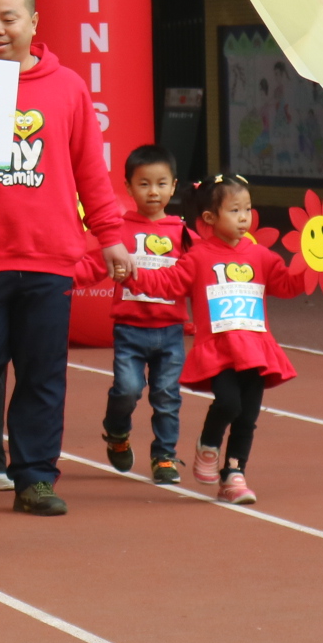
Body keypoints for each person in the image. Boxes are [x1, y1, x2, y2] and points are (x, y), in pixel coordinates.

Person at [0, 0, 132, 516]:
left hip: (49, 256)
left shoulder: (68, 88)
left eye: (8, 19)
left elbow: (91, 172)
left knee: (42, 372)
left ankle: (35, 477)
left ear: (33, 23)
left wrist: (110, 237)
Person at [118, 173, 307, 505]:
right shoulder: (198, 257)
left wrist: (311, 265)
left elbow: (287, 286)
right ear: (209, 218)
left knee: (247, 416)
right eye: (234, 210)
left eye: (247, 209)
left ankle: (234, 474)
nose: (244, 217)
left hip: (257, 348)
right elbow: (167, 283)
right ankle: (208, 444)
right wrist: (133, 276)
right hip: (219, 349)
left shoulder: (261, 256)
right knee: (229, 403)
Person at [103, 144, 186, 483]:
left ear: (174, 186)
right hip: (130, 329)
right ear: (128, 187)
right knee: (127, 388)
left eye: (161, 183)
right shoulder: (119, 230)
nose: (154, 192)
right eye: (144, 184)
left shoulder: (184, 233)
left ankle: (164, 457)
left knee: (166, 396)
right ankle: (117, 431)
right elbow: (94, 264)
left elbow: (202, 270)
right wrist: (60, 282)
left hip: (171, 331)